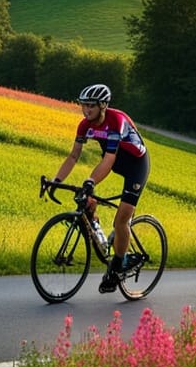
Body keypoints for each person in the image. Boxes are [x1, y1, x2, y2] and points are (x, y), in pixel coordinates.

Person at [51, 83, 150, 293]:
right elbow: (73, 156)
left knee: (121, 218)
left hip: (136, 166)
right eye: (83, 105)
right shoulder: (84, 125)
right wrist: (57, 180)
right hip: (114, 162)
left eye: (91, 106)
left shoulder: (116, 121)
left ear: (103, 105)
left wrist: (91, 181)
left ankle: (119, 264)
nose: (86, 110)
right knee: (86, 199)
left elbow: (109, 158)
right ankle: (100, 233)